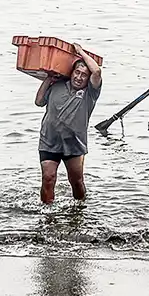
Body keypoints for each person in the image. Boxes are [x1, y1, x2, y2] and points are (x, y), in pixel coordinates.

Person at [34, 44, 102, 205]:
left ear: (88, 78)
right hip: (48, 140)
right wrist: (48, 79)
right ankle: (47, 212)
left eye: (84, 75)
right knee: (48, 178)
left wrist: (80, 52)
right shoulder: (57, 85)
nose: (79, 77)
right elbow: (38, 102)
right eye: (77, 72)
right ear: (71, 73)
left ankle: (79, 209)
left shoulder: (90, 93)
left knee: (76, 182)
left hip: (74, 144)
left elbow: (97, 71)